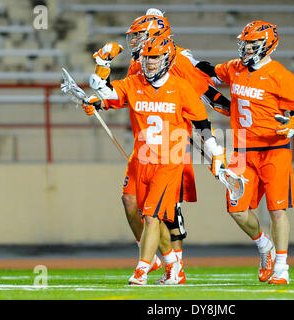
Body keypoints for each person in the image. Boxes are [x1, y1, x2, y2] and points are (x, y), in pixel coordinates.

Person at [90, 8, 231, 284]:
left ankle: (145, 268)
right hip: (141, 154)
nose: (148, 61)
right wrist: (101, 72)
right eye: (145, 56)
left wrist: (217, 154)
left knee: (158, 215)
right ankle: (171, 266)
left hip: (172, 154)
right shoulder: (135, 75)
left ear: (165, 54)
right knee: (133, 205)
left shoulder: (181, 79)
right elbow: (106, 90)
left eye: (153, 56)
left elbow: (206, 113)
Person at [196, 20, 294, 284]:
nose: (246, 48)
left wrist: (293, 124)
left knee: (277, 210)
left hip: (274, 150)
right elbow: (209, 71)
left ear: (268, 45)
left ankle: (281, 268)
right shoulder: (236, 68)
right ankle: (264, 246)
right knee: (236, 209)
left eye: (252, 44)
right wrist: (183, 60)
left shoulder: (282, 77)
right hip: (243, 150)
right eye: (244, 43)